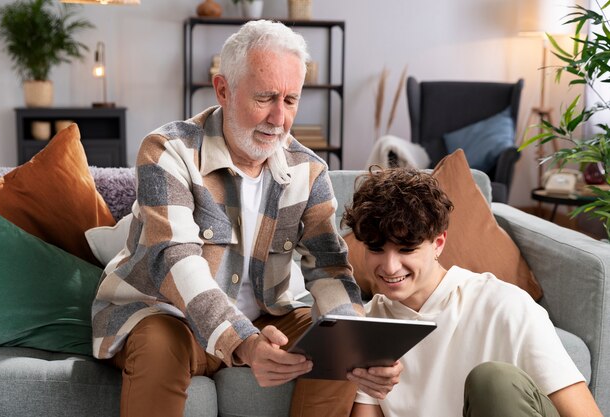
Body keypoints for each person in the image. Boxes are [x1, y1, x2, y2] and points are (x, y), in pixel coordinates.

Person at [91, 19, 400, 417]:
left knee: (337, 344)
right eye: (265, 98)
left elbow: (329, 270)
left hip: (269, 318)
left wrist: (360, 347)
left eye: (290, 101)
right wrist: (245, 340)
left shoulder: (308, 171)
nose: (278, 118)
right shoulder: (168, 151)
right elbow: (175, 260)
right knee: (158, 345)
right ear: (223, 90)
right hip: (168, 315)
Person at [342, 167, 603, 417]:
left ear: (438, 244)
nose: (389, 266)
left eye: (406, 249)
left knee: (494, 381)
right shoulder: (368, 326)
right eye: (376, 249)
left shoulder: (504, 305)